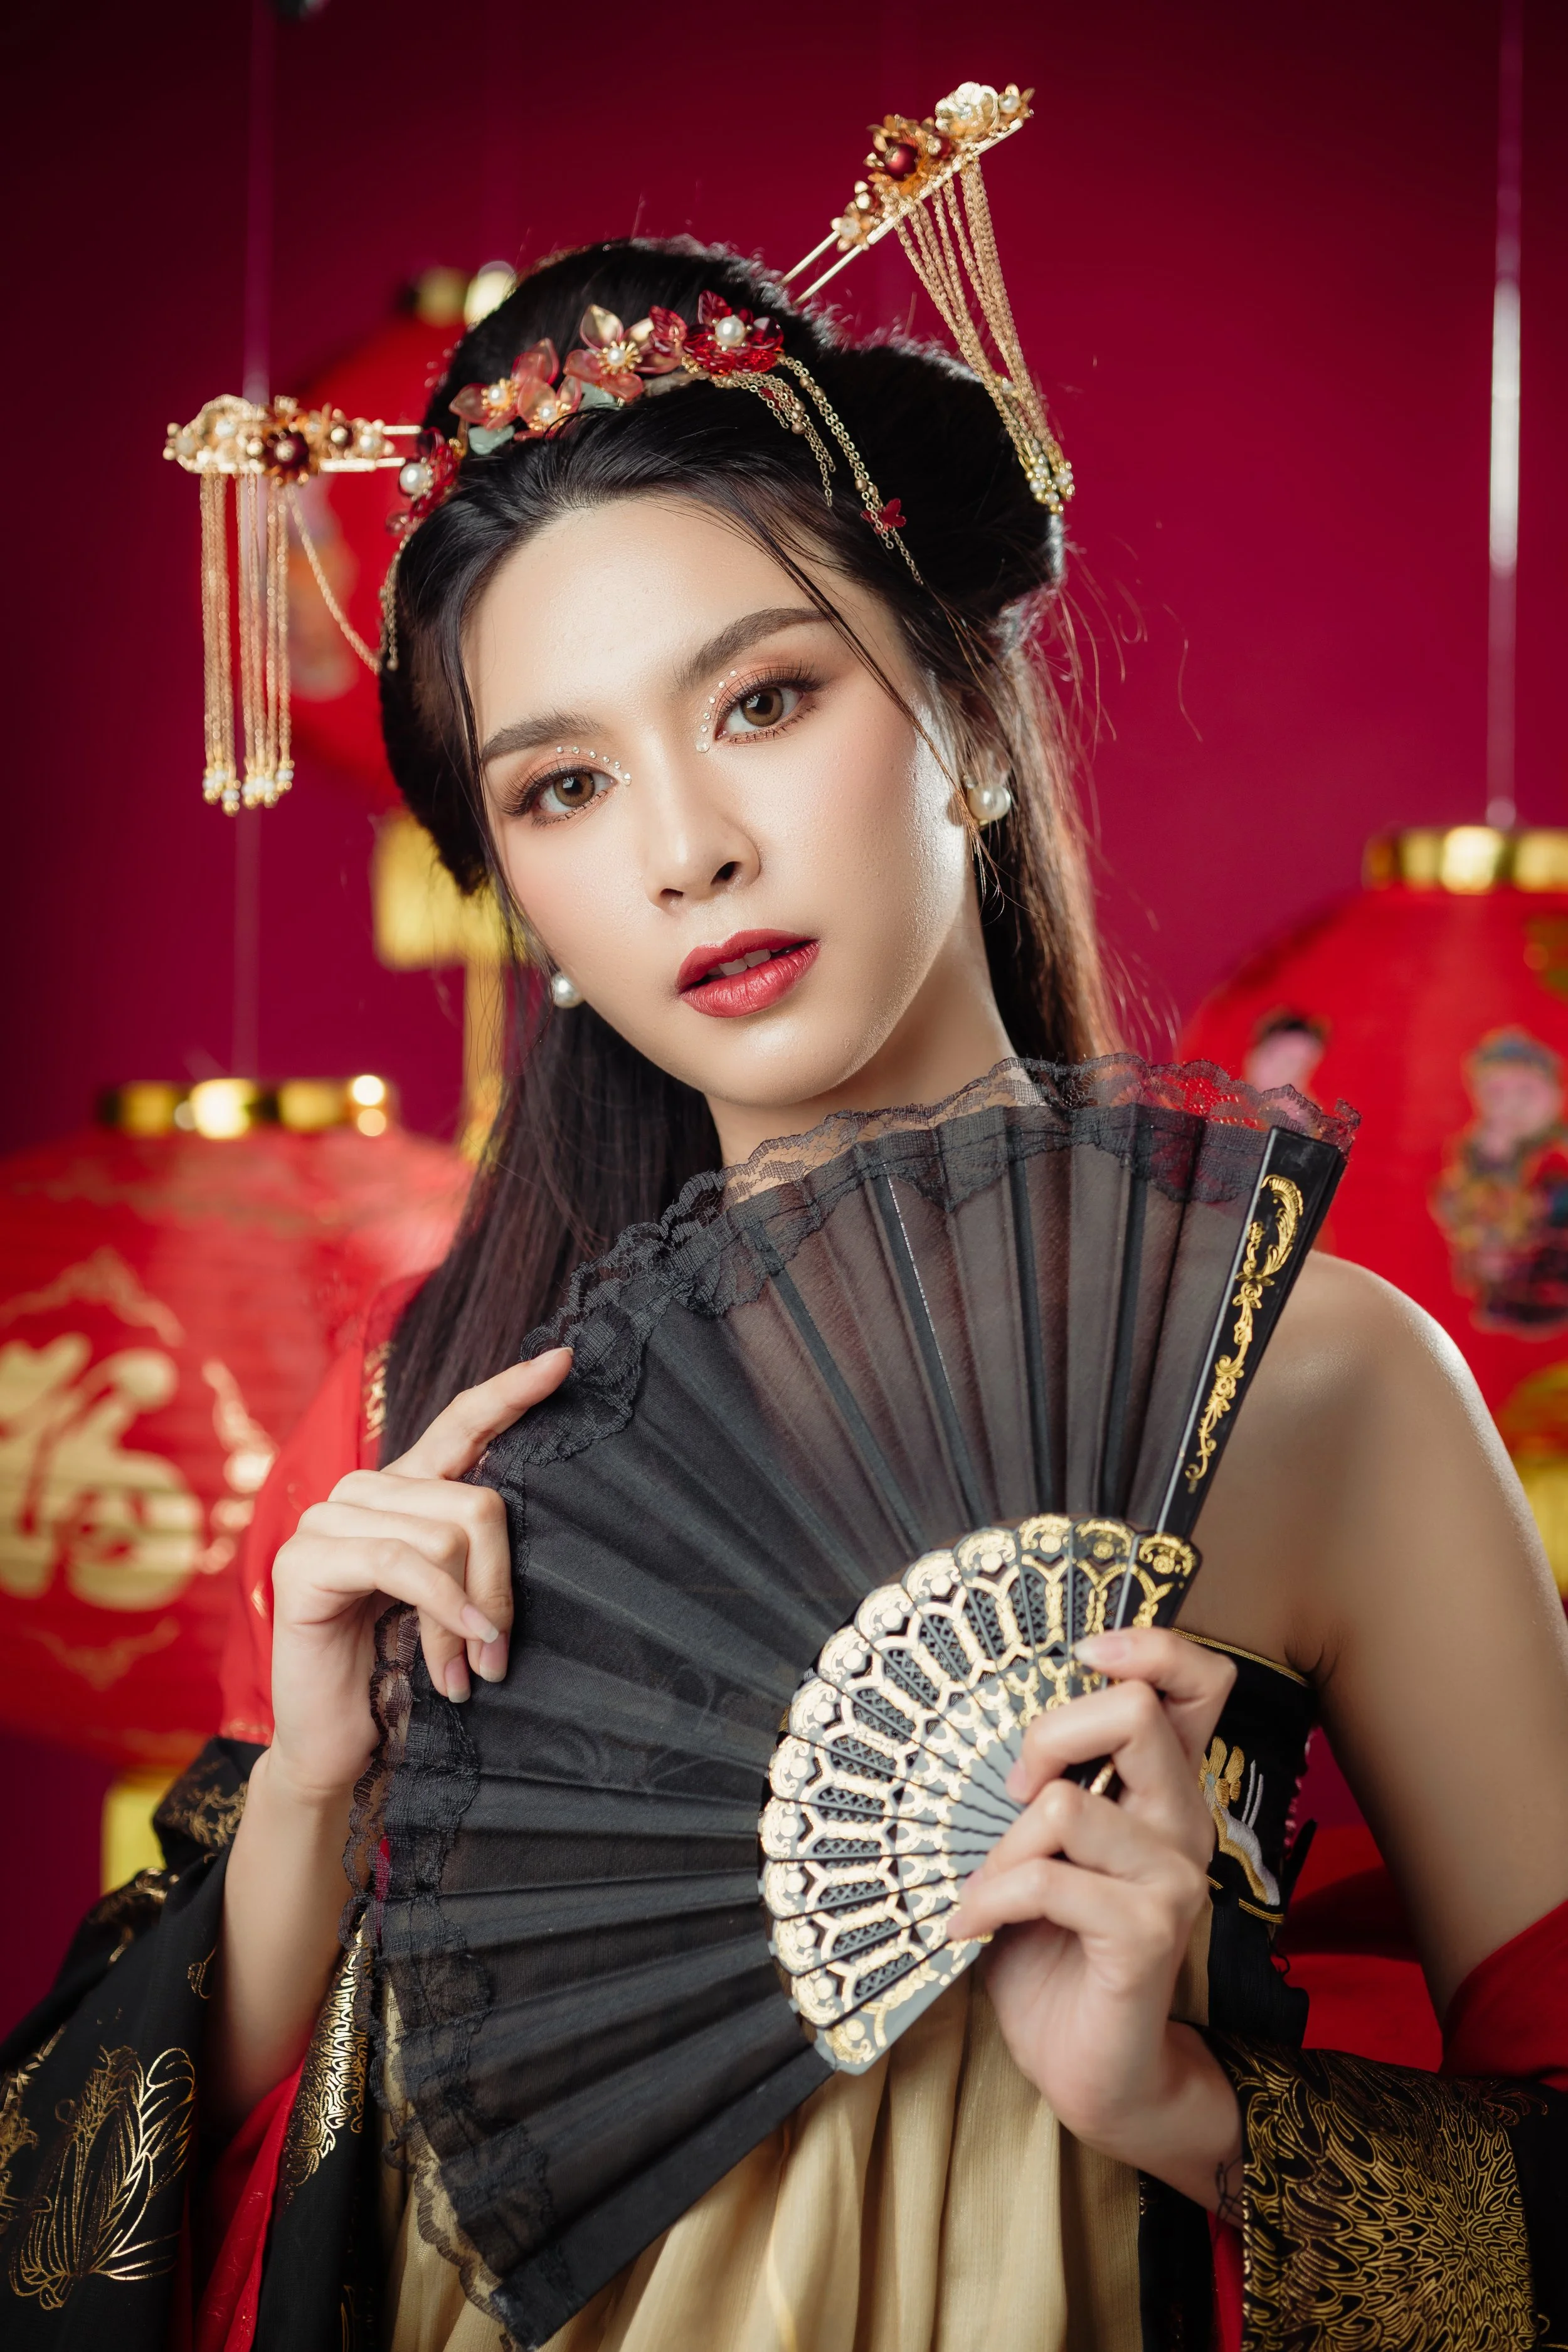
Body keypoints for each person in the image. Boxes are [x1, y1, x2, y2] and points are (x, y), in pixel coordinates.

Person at [5, 226, 1567, 2352]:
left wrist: (1189, 2107)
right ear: (520, 887)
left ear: (969, 718)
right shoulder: (418, 1405)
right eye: (561, 785)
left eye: (762, 698)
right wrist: (306, 1795)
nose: (686, 848)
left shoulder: (1315, 1381)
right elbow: (102, 2212)